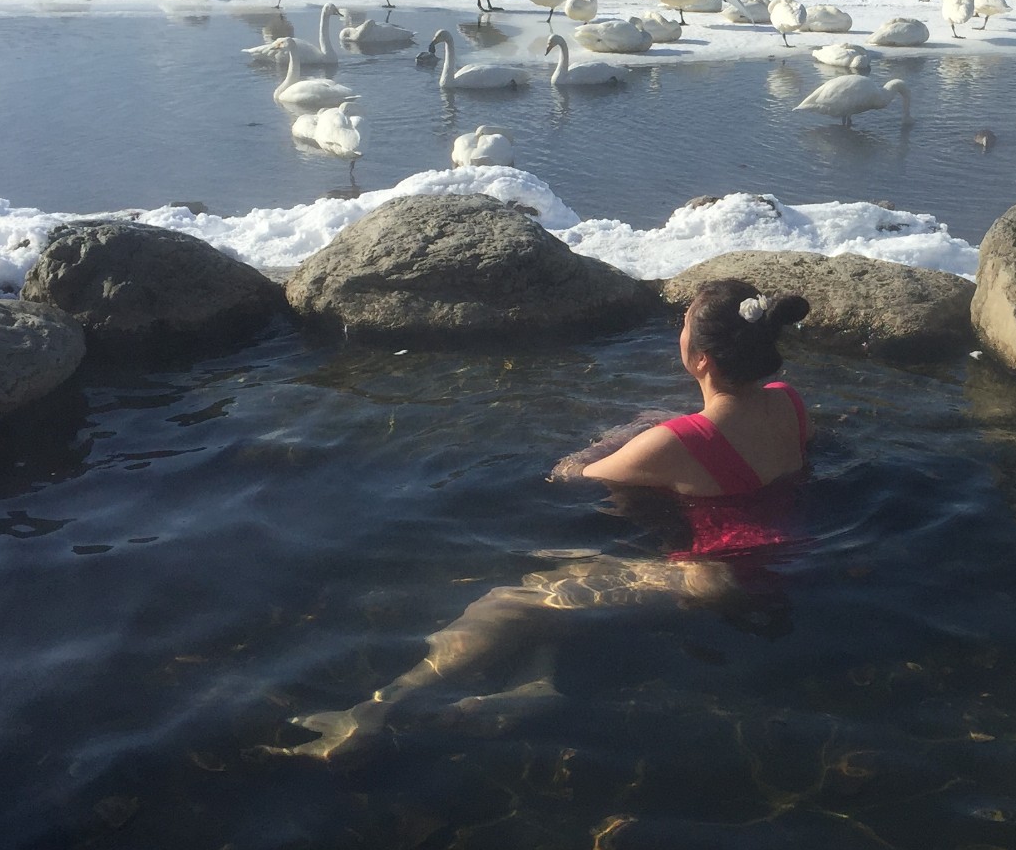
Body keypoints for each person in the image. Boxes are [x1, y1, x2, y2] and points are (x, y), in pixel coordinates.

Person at [280, 281, 812, 759]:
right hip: (779, 560)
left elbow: (572, 476)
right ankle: (534, 687)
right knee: (567, 574)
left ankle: (374, 710)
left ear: (700, 360)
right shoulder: (788, 400)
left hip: (711, 576)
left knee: (507, 602)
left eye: (683, 329)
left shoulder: (675, 441)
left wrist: (623, 435)